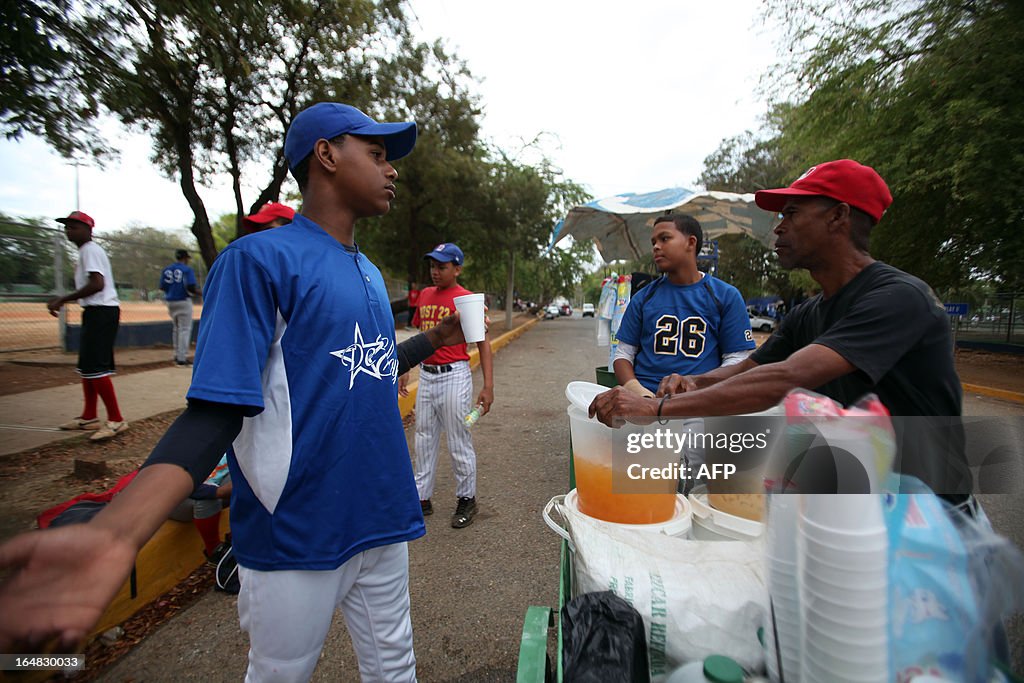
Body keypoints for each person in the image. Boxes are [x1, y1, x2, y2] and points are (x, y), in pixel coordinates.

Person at [0, 102, 473, 681]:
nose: (391, 169)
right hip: (298, 529)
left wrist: (434, 339)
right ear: (325, 155)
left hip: (380, 515)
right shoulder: (257, 261)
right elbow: (218, 408)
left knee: (396, 667)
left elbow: (364, 368)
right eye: (375, 154)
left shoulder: (367, 270)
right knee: (280, 672)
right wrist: (118, 530)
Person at [590, 159, 969, 499]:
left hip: (925, 506)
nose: (779, 228)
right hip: (857, 497)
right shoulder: (809, 313)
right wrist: (694, 382)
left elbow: (786, 377)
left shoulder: (897, 298)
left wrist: (655, 408)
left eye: (791, 214)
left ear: (838, 217)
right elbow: (747, 369)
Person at [399, 243, 494, 529]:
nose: (435, 271)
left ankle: (467, 498)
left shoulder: (466, 299)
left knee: (457, 437)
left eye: (442, 266)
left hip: (454, 374)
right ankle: (421, 498)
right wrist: (407, 366)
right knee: (424, 437)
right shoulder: (426, 295)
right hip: (427, 374)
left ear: (457, 268)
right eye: (432, 266)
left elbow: (483, 343)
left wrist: (488, 386)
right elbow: (421, 333)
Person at [613, 215, 755, 399]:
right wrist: (640, 394)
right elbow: (623, 355)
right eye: (653, 242)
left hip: (700, 400)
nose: (656, 246)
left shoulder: (725, 296)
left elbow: (737, 359)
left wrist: (697, 385)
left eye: (664, 239)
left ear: (691, 242)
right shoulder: (643, 298)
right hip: (645, 398)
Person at [47, 211, 129, 441]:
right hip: (95, 311)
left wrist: (63, 299)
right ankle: (89, 416)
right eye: (67, 227)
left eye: (74, 227)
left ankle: (116, 419)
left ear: (88, 230)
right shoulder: (86, 252)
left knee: (96, 367)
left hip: (102, 311)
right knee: (87, 368)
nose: (69, 231)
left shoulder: (91, 250)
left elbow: (97, 283)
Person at [168, 454, 232, 565]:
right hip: (175, 498)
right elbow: (176, 484)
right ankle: (215, 551)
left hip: (213, 484)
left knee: (250, 479)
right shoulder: (180, 446)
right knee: (207, 499)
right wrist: (217, 492)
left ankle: (236, 538)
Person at [159, 248, 198, 366]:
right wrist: (201, 292)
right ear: (185, 258)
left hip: (171, 301)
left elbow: (162, 286)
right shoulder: (187, 269)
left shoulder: (166, 270)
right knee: (184, 329)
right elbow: (191, 287)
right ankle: (182, 358)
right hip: (183, 300)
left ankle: (176, 355)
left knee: (176, 328)